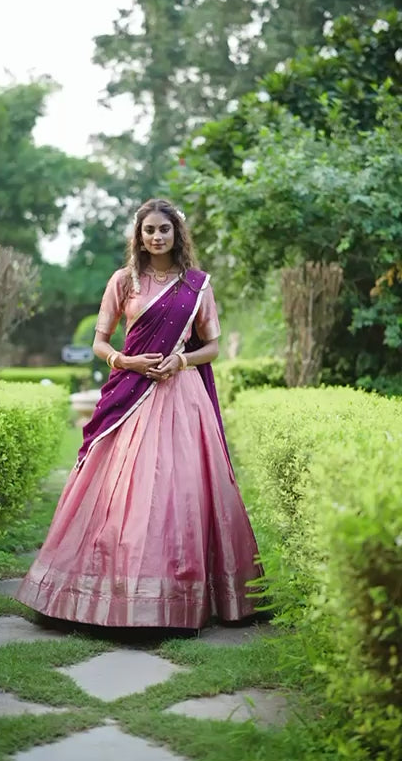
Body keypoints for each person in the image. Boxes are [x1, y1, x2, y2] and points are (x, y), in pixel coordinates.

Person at [16, 198, 263, 629]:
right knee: (124, 488)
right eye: (149, 230)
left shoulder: (197, 285)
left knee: (180, 487)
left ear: (176, 234)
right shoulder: (124, 281)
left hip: (182, 400)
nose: (156, 236)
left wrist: (181, 361)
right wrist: (125, 362)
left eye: (164, 230)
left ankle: (184, 597)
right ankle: (108, 592)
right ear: (139, 236)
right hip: (131, 396)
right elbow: (101, 342)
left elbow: (212, 347)